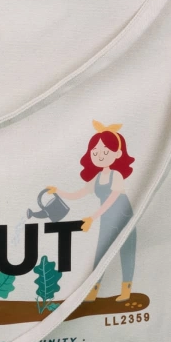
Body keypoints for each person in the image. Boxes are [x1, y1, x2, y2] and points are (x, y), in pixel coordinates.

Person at [47, 120, 136, 303]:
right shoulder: (97, 177)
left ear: (118, 154)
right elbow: (78, 194)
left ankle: (126, 289)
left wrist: (92, 217)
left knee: (126, 251)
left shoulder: (116, 175)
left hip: (123, 215)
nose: (99, 155)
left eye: (105, 152)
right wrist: (58, 191)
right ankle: (93, 290)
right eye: (95, 152)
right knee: (100, 252)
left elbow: (112, 199)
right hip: (106, 217)